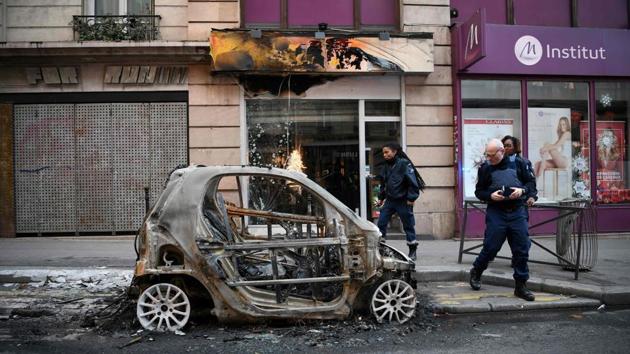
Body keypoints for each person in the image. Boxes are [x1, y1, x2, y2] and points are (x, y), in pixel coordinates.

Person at [469, 139, 538, 301]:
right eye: (487, 155)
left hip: (517, 211)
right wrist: (489, 196)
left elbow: (531, 184)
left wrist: (522, 191)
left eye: (492, 155)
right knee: (491, 247)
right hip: (496, 212)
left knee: (521, 249)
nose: (489, 158)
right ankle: (476, 271)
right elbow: (479, 191)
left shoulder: (520, 163)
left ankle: (521, 286)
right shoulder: (485, 168)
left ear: (502, 151)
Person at [375, 143, 425, 261]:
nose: (385, 155)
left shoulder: (403, 164)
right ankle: (381, 248)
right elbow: (384, 184)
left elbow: (413, 183)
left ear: (394, 152)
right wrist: (381, 198)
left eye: (387, 152)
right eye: (383, 153)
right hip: (390, 201)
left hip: (403, 201)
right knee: (381, 222)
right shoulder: (386, 166)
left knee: (408, 225)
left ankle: (412, 250)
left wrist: (411, 199)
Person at [502, 135, 536, 207]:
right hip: (500, 204)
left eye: (508, 146)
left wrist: (531, 196)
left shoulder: (523, 162)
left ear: (515, 147)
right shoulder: (497, 162)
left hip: (520, 203)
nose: (505, 148)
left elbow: (530, 182)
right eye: (504, 146)